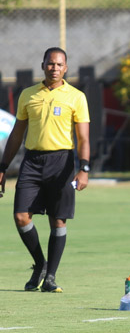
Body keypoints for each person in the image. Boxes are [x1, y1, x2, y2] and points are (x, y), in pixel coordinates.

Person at [0, 47, 91, 293]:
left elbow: (83, 137)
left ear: (66, 68)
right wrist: (3, 166)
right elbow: (17, 134)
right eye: (50, 64)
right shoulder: (28, 95)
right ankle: (40, 263)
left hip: (62, 162)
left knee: (57, 220)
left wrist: (84, 168)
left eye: (59, 64)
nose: (54, 68)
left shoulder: (76, 97)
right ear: (43, 65)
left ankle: (50, 277)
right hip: (31, 161)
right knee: (21, 216)